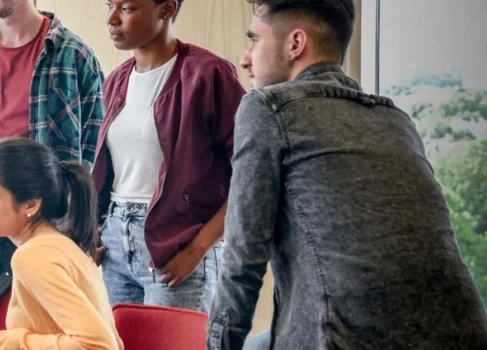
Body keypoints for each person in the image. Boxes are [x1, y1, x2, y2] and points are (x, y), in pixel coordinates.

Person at [208, 0, 487, 348]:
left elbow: (242, 258)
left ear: (295, 43)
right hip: (464, 330)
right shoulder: (394, 118)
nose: (245, 58)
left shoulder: (267, 107)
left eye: (254, 40)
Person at [0, 0, 105, 310]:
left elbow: (92, 149)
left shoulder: (75, 55)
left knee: (42, 331)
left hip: (42, 224)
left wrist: (84, 223)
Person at [93, 0, 245, 312]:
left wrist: (199, 248)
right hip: (115, 244)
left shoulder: (208, 73)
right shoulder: (116, 80)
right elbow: (110, 174)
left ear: (167, 9)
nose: (111, 19)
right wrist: (93, 230)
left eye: (127, 8)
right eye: (109, 5)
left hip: (178, 245)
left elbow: (253, 174)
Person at [0, 137, 123, 350]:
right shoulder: (58, 245)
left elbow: (97, 346)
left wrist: (5, 341)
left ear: (31, 204)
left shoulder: (33, 256)